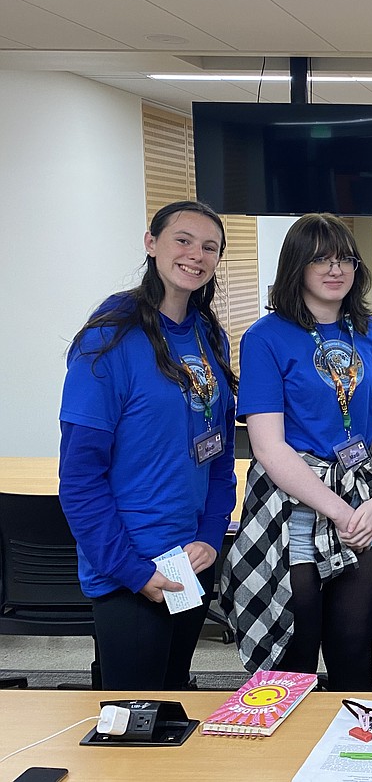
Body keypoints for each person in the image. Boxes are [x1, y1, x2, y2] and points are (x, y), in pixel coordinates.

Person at [222, 213, 372, 689]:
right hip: (296, 510)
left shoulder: (370, 332)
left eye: (344, 258)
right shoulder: (266, 337)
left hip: (363, 504)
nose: (335, 269)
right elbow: (268, 447)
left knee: (352, 652)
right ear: (296, 267)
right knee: (292, 660)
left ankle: (354, 758)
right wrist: (342, 513)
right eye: (321, 258)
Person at [59, 200, 237, 689]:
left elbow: (218, 457)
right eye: (183, 240)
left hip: (190, 560)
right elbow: (79, 480)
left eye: (209, 247)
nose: (195, 255)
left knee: (173, 695)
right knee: (134, 721)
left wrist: (209, 535)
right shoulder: (109, 340)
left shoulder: (207, 337)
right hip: (130, 569)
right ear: (151, 243)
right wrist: (133, 572)